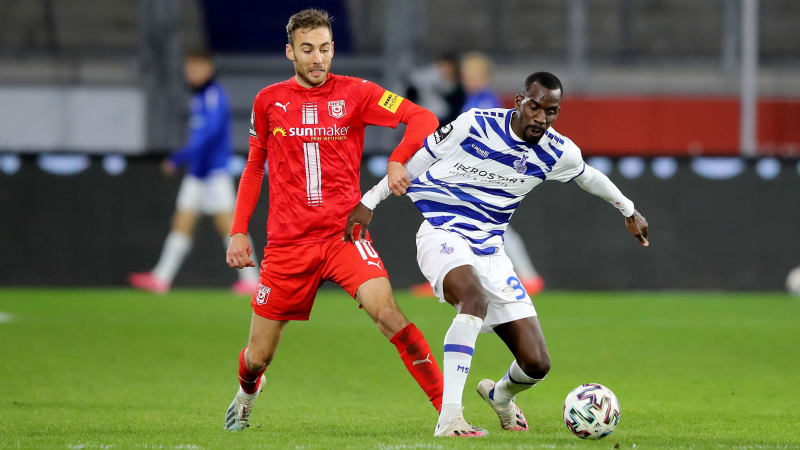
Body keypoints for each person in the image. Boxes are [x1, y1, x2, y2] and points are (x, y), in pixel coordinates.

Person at [346, 72, 649, 437]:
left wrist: (628, 210)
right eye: (534, 107)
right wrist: (370, 200)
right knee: (473, 298)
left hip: (491, 251)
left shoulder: (557, 151)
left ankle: (500, 396)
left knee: (536, 363)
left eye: (550, 111)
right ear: (520, 99)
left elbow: (588, 177)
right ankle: (450, 418)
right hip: (442, 231)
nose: (540, 118)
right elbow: (419, 159)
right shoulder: (475, 124)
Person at [222, 9, 444, 431]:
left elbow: (423, 118)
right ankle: (247, 392)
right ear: (290, 52)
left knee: (388, 313)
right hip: (287, 245)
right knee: (258, 356)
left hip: (344, 236)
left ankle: (448, 413)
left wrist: (398, 160)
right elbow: (254, 168)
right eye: (307, 50)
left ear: (333, 49)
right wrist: (237, 231)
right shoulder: (268, 101)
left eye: (324, 49)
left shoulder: (357, 93)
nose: (318, 58)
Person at [411, 51, 545, 298]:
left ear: (484, 77)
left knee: (478, 223)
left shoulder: (484, 102)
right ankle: (525, 277)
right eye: (466, 75)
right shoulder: (475, 99)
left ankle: (527, 277)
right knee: (476, 223)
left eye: (472, 75)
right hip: (478, 170)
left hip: (482, 172)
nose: (468, 79)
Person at [128, 51, 260, 295]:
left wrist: (179, 158)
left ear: (208, 68)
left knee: (231, 227)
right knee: (182, 223)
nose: (191, 72)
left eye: (196, 67)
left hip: (214, 173)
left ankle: (253, 280)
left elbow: (208, 136)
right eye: (189, 67)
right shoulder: (200, 96)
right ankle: (161, 278)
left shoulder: (213, 96)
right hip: (198, 174)